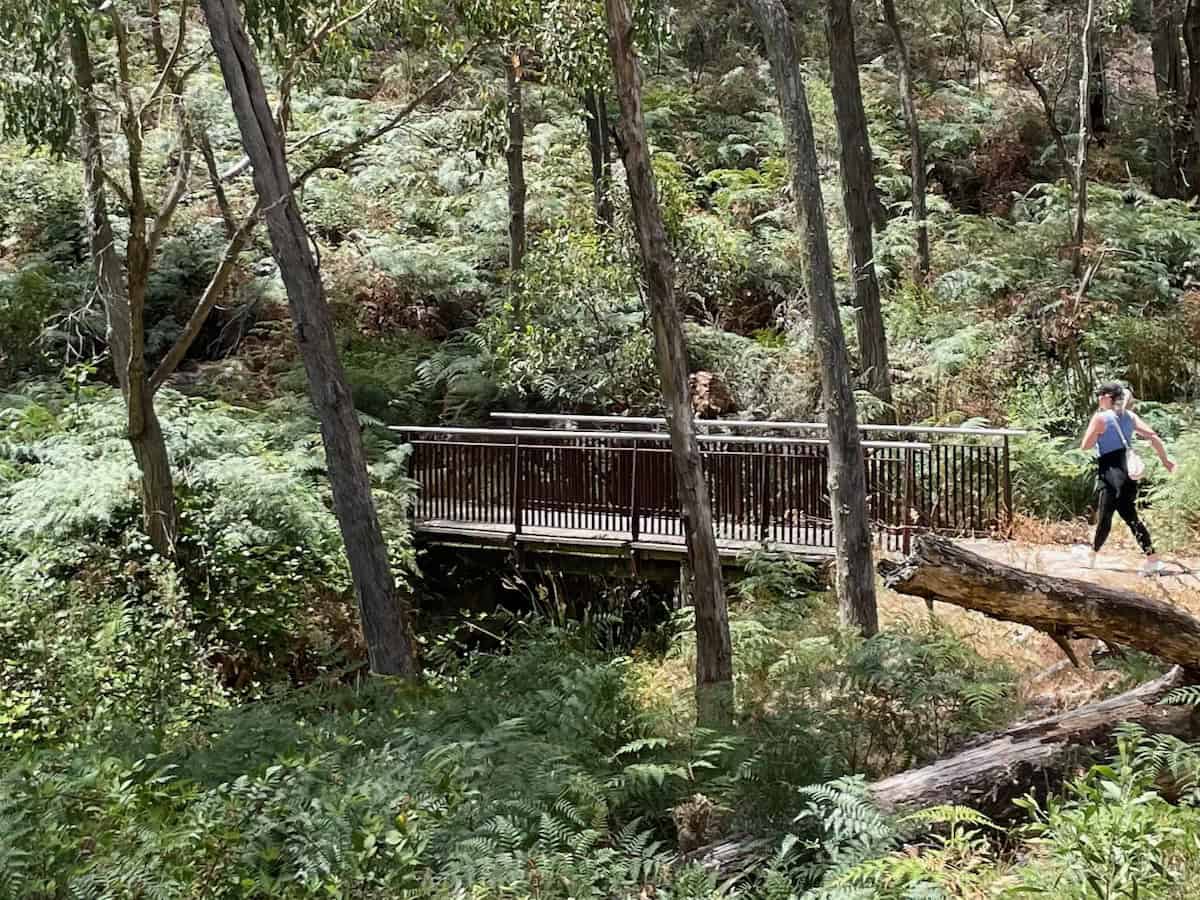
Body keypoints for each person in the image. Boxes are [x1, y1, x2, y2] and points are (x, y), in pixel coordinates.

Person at [1079, 383, 1175, 575]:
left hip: (1111, 471)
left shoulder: (1100, 418)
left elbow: (1085, 446)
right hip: (1129, 473)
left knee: (1105, 516)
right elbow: (1153, 436)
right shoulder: (1130, 417)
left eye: (1101, 394)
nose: (1098, 398)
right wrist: (1166, 461)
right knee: (1131, 517)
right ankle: (1152, 558)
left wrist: (1097, 433)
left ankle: (1092, 556)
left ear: (1110, 397)